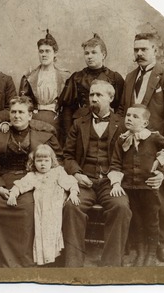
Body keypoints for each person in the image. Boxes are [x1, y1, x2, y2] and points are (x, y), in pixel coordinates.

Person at [118, 32, 164, 262]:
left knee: (161, 194)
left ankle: (163, 242)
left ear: (155, 50)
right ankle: (140, 243)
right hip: (133, 148)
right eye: (136, 49)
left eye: (144, 49)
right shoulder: (129, 78)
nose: (139, 54)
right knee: (137, 195)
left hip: (158, 147)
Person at [0, 96, 63, 267]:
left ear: (30, 115)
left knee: (29, 207)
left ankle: (24, 261)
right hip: (3, 179)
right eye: (13, 112)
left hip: (33, 179)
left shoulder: (44, 136)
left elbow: (56, 162)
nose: (16, 116)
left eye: (21, 112)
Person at [62, 79, 132, 267]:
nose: (93, 99)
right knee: (71, 207)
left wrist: (117, 179)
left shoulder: (123, 124)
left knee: (121, 207)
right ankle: (73, 266)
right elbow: (66, 155)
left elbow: (129, 158)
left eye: (98, 95)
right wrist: (76, 174)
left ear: (111, 98)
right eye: (91, 94)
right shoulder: (79, 124)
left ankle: (111, 265)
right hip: (85, 182)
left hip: (111, 183)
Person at [109, 104, 164, 266]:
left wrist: (160, 159)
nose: (129, 119)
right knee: (137, 220)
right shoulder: (122, 140)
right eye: (128, 115)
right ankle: (140, 252)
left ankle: (150, 254)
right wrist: (116, 183)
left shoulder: (153, 138)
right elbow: (115, 163)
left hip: (148, 188)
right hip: (130, 188)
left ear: (145, 123)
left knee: (152, 220)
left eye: (135, 117)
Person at [7, 144, 80, 266]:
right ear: (33, 162)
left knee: (56, 232)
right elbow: (20, 185)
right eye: (39, 160)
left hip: (56, 210)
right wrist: (13, 195)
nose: (43, 164)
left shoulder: (58, 172)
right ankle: (46, 260)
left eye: (46, 160)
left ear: (52, 161)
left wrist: (73, 193)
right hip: (42, 211)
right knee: (42, 233)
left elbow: (71, 182)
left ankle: (58, 259)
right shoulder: (33, 176)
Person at [59, 33, 124, 137]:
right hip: (81, 125)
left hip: (107, 126)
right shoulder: (77, 77)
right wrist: (69, 133)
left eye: (94, 52)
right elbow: (67, 109)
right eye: (87, 53)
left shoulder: (114, 78)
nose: (89, 56)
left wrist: (115, 128)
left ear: (103, 55)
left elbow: (120, 107)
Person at [19, 30, 70, 139]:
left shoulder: (65, 77)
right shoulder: (29, 77)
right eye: (41, 51)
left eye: (47, 51)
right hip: (35, 119)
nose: (44, 55)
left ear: (55, 53)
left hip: (57, 119)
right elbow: (23, 101)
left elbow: (68, 105)